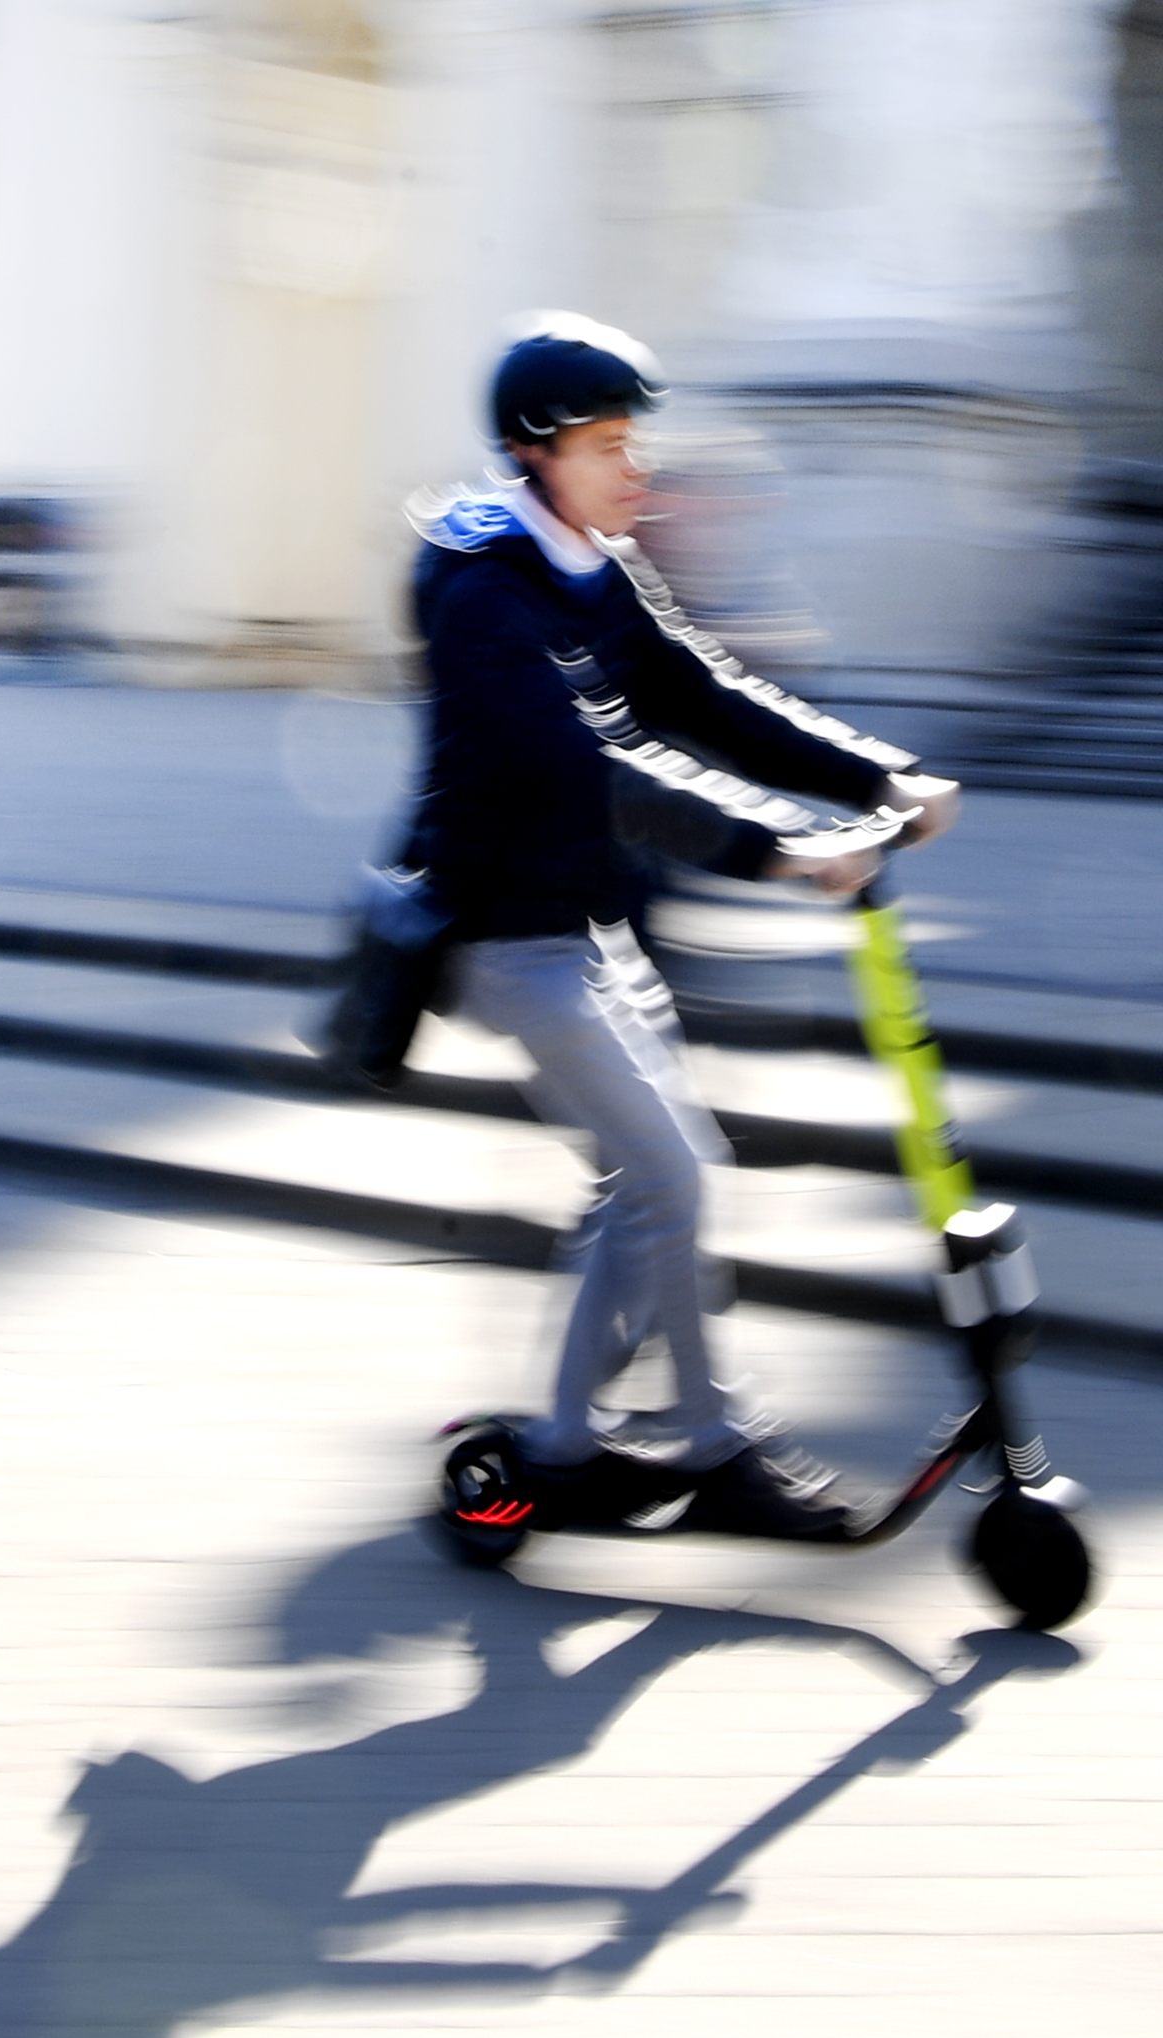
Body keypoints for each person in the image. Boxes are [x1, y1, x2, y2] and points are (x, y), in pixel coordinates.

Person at [398, 313, 958, 1538]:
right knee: (671, 1174)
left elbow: (707, 694)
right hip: (506, 940)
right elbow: (593, 768)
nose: (634, 467)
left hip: (588, 929)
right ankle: (712, 1449)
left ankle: (562, 1445)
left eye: (632, 441)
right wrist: (778, 847)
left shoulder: (595, 569)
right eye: (607, 445)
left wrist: (875, 774)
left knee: (644, 1180)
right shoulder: (483, 593)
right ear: (534, 450)